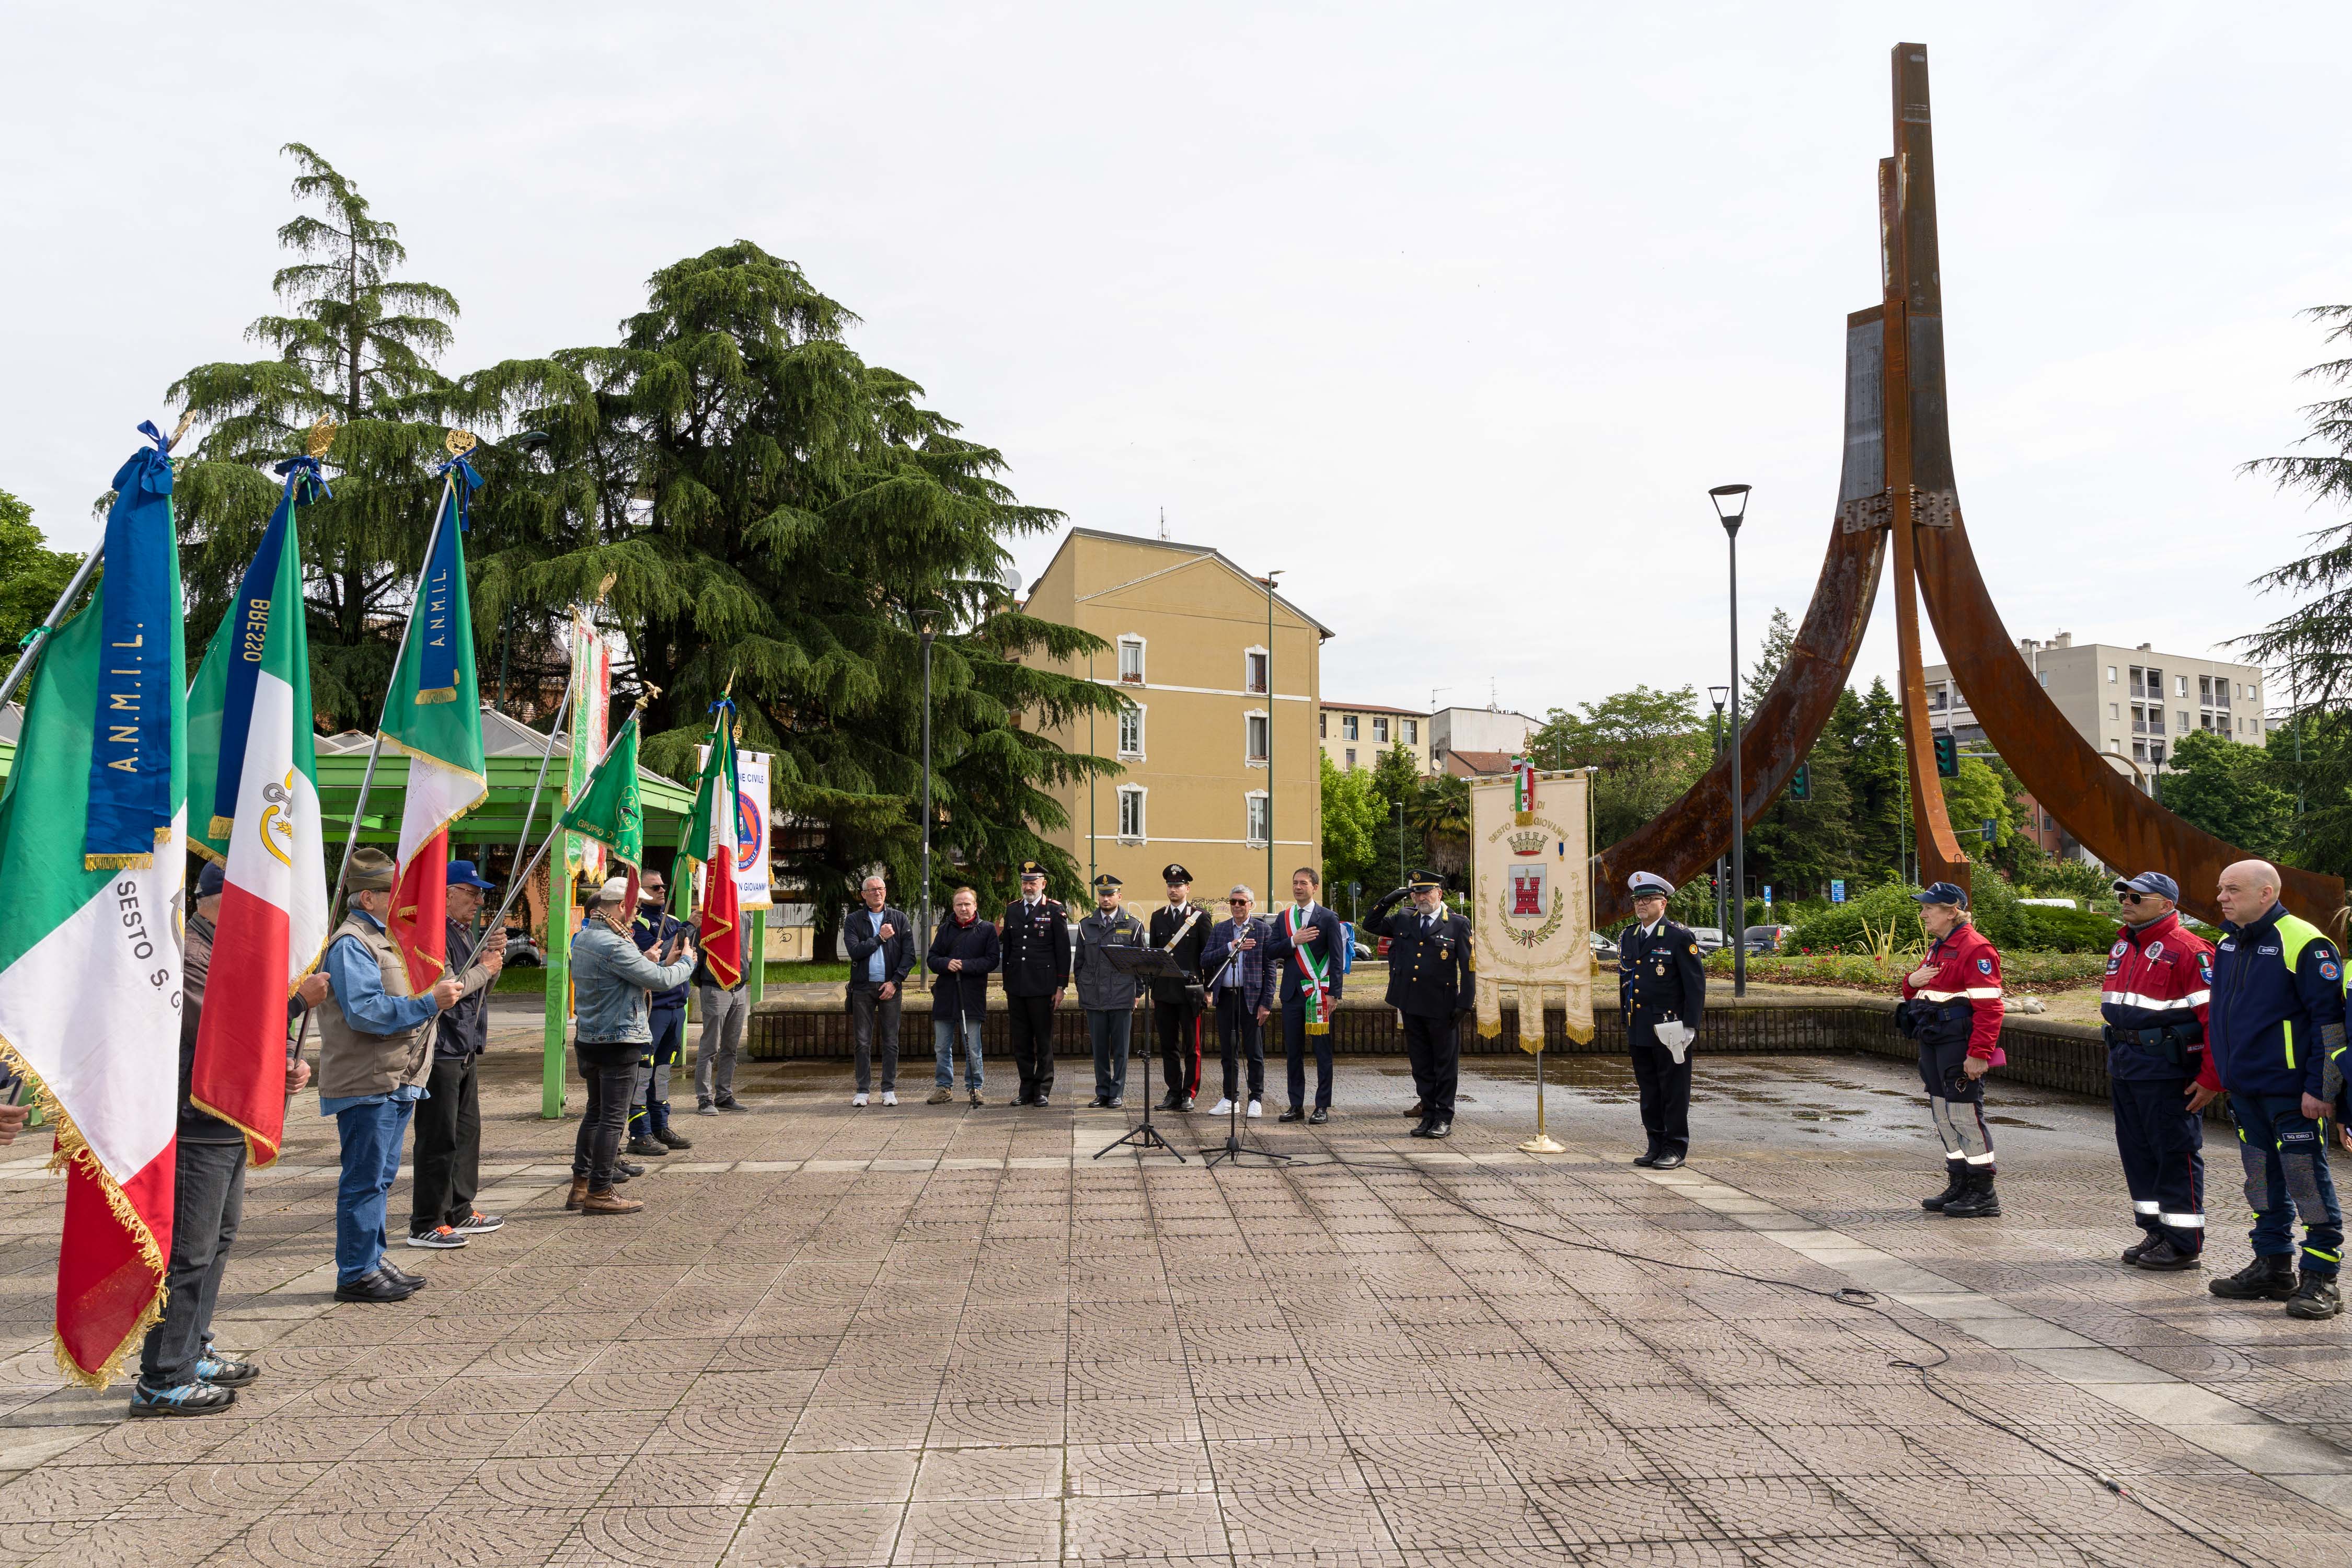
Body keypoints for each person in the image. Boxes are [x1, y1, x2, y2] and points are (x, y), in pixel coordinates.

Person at [130, 862, 329, 1415]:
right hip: (195, 1120)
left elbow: (249, 1034)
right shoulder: (189, 952)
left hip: (226, 1118)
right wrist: (296, 1003)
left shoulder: (226, 950)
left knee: (217, 1240)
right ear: (222, 899)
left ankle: (192, 1349)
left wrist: (286, 1066)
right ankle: (162, 1375)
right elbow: (221, 1025)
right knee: (189, 1253)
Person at [316, 848, 465, 1302]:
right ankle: (356, 1272)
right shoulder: (352, 943)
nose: (402, 898)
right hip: (366, 1080)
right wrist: (427, 1004)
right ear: (367, 899)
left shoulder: (385, 938)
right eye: (390, 891)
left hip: (393, 1077)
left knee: (378, 1179)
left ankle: (370, 1260)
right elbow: (365, 1012)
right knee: (363, 1180)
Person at [2202, 859, 2345, 1319]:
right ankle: (2273, 1266)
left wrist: (2321, 1090)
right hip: (2246, 1091)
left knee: (2306, 1182)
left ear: (2266, 893)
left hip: (2293, 1093)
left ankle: (2321, 1279)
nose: (2222, 898)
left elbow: (2330, 1026)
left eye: (2232, 890)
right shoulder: (2227, 943)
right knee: (2261, 1183)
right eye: (2221, 889)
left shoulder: (2304, 942)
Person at [2100, 870, 2213, 1272]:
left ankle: (2184, 1243)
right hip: (2128, 1065)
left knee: (2174, 1153)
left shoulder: (2188, 949)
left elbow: (2212, 1019)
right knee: (2139, 1153)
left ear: (2167, 905)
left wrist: (2210, 1079)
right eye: (2124, 896)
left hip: (2167, 1070)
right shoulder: (2124, 944)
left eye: (2137, 897)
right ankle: (2157, 1229)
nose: (2126, 902)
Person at [571, 875, 696, 1216]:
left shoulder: (584, 938)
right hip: (619, 1039)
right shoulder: (614, 944)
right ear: (618, 906)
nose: (636, 912)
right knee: (612, 1120)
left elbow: (625, 977)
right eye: (634, 906)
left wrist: (653, 962)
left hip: (590, 1038)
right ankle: (600, 1191)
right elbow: (659, 981)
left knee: (595, 1114)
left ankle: (581, 1186)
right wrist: (687, 962)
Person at [407, 861, 508, 1250]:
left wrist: (491, 962)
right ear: (446, 892)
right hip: (442, 1047)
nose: (479, 901)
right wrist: (484, 967)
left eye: (481, 894)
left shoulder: (464, 933)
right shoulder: (433, 935)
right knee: (438, 1138)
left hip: (465, 1045)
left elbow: (479, 989)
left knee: (467, 1133)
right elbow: (448, 988)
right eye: (472, 892)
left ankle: (460, 1208)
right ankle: (427, 1220)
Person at [1899, 881, 2007, 1218]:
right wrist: (1910, 982)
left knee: (1964, 1114)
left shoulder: (1976, 948)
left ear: (1952, 911)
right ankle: (1959, 1183)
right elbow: (1922, 990)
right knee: (1943, 1113)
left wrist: (1979, 1054)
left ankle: (1983, 1191)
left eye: (1930, 908)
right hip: (1934, 1039)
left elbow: (1990, 1008)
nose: (1923, 913)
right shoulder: (1939, 946)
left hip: (1959, 1043)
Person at [1364, 869, 1476, 1140]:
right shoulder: (1404, 917)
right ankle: (1428, 1115)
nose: (1422, 897)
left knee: (1444, 1064)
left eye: (1427, 891)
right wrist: (1392, 897)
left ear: (1439, 893)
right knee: (1421, 1064)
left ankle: (1444, 1117)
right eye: (1416, 892)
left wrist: (1465, 1003)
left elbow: (1470, 966)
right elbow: (1370, 923)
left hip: (1442, 1005)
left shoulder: (1458, 924)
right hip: (1410, 1003)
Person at [1616, 871, 1706, 1169]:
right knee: (1649, 1090)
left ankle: (1676, 1148)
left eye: (1648, 899)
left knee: (1674, 1090)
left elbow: (1695, 985)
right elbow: (1626, 981)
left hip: (1671, 1027)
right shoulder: (1629, 936)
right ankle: (1655, 1144)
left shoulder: (1679, 936)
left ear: (1663, 903)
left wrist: (1690, 1025)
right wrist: (1625, 1018)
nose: (1641, 904)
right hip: (1639, 1024)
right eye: (1638, 899)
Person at [1266, 867, 1346, 1124]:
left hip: (1318, 994)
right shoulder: (1284, 917)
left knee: (1322, 1052)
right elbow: (1271, 951)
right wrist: (1293, 940)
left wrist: (1334, 993)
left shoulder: (1328, 918)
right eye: (1295, 883)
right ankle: (1296, 1104)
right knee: (1293, 1053)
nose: (1298, 887)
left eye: (1303, 883)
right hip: (1291, 995)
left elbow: (1337, 958)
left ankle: (1322, 1105)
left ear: (1315, 887)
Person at [627, 870, 694, 1156]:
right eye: (654, 886)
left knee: (664, 1070)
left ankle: (660, 1124)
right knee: (644, 1070)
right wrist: (686, 931)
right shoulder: (637, 923)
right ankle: (639, 1131)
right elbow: (652, 959)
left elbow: (688, 952)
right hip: (655, 1007)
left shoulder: (676, 921)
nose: (662, 890)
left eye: (663, 886)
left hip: (677, 1006)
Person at [999, 861, 1070, 1106]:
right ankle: (1026, 1088)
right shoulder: (1013, 910)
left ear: (1043, 883)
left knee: (1043, 1040)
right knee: (1021, 1041)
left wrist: (1061, 987)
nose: (1028, 887)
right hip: (1017, 985)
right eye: (1025, 882)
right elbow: (1008, 948)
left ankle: (1043, 1089)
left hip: (1043, 986)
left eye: (1033, 882)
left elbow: (1063, 952)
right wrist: (1006, 980)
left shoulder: (1054, 910)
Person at [1073, 874, 1148, 1108]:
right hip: (1094, 996)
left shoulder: (1133, 925)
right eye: (1102, 895)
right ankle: (1102, 1091)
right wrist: (1084, 989)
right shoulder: (1086, 925)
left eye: (1110, 894)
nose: (1106, 899)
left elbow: (1141, 963)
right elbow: (1080, 964)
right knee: (1099, 1049)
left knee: (1121, 1049)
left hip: (1122, 994)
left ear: (1119, 896)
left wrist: (1138, 993)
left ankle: (1117, 1092)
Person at [1200, 885, 1273, 1118]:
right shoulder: (1221, 930)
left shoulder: (1261, 930)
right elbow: (1205, 959)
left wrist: (1267, 1003)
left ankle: (1256, 1099)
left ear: (1252, 904)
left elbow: (1270, 970)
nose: (1237, 906)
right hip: (1226, 997)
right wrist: (1230, 947)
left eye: (1242, 902)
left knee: (1254, 1052)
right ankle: (1230, 1097)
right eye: (1233, 902)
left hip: (1251, 998)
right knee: (1228, 1051)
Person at [845, 874, 915, 1108]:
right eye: (872, 890)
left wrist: (895, 982)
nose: (878, 893)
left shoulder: (899, 918)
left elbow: (909, 956)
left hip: (890, 987)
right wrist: (880, 938)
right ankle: (863, 1090)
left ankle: (888, 1089)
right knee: (862, 1041)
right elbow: (855, 951)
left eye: (881, 889)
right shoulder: (854, 920)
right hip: (863, 988)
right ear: (863, 895)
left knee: (891, 1041)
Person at [1147, 864, 1211, 1112]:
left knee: (1192, 1047)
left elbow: (1208, 956)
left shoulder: (1200, 917)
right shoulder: (1157, 917)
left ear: (1188, 888)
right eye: (1170, 886)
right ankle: (1173, 1091)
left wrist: (1208, 989)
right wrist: (1153, 990)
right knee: (1168, 1046)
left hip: (1190, 991)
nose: (1174, 889)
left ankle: (1190, 1093)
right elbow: (1154, 957)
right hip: (1164, 991)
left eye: (1178, 886)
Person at [928, 886, 998, 1105]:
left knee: (973, 1047)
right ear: (954, 907)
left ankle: (975, 1088)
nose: (963, 908)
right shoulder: (945, 929)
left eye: (967, 904)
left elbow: (992, 960)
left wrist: (966, 966)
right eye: (959, 904)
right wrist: (946, 963)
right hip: (946, 995)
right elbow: (932, 959)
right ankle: (944, 1087)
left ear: (975, 906)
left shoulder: (986, 930)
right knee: (942, 1046)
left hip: (972, 996)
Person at [691, 890, 750, 1116]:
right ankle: (704, 1098)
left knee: (731, 1047)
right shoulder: (709, 916)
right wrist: (706, 982)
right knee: (710, 1047)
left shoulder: (745, 914)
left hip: (740, 986)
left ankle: (724, 1094)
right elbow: (697, 956)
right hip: (715, 987)